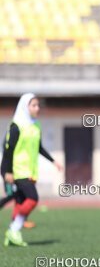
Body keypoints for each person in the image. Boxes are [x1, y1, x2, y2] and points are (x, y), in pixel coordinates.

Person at [2, 93, 62, 247]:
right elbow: (8, 150)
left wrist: (53, 161)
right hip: (18, 170)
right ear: (25, 107)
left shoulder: (36, 125)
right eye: (33, 105)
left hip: (30, 170)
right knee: (33, 199)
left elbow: (39, 148)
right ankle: (13, 228)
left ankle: (13, 233)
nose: (37, 108)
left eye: (38, 105)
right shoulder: (16, 126)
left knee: (20, 200)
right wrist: (7, 171)